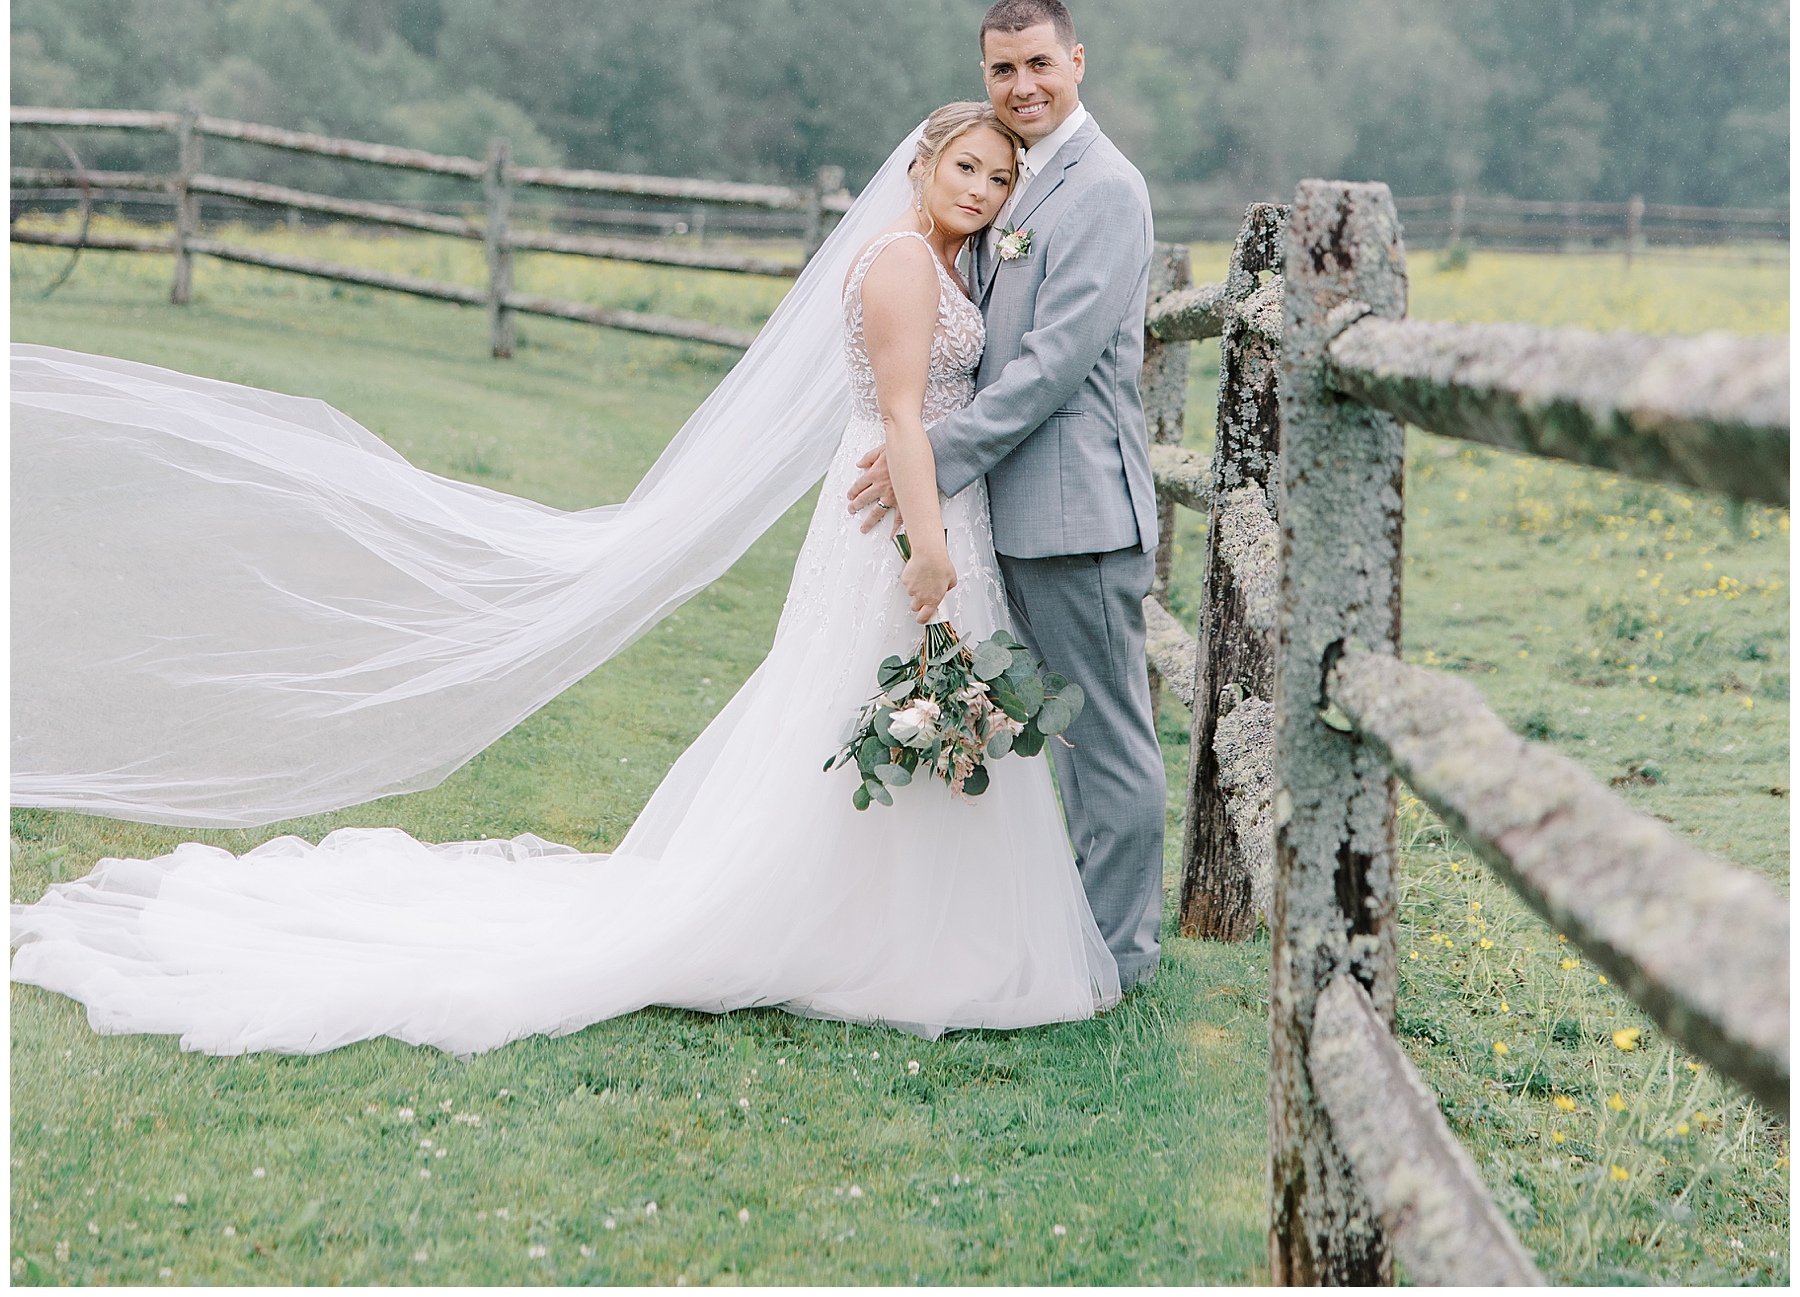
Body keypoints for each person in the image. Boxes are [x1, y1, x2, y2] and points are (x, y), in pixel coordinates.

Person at [11, 100, 1120, 1056]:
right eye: (965, 166)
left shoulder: (937, 258)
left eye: (1000, 174)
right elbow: (898, 413)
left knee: (893, 707)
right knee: (877, 701)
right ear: (920, 166)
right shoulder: (897, 262)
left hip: (933, 506)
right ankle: (853, 929)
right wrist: (927, 547)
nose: (981, 186)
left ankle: (915, 927)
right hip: (905, 514)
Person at [847, 0, 1164, 992]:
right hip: (1009, 514)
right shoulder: (1018, 178)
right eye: (1000, 70)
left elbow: (1052, 366)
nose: (1021, 85)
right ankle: (1070, 938)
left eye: (1038, 64)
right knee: (1058, 738)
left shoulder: (1104, 188)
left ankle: (1122, 960)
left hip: (1076, 513)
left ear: (1076, 58)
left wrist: (928, 458)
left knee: (1106, 745)